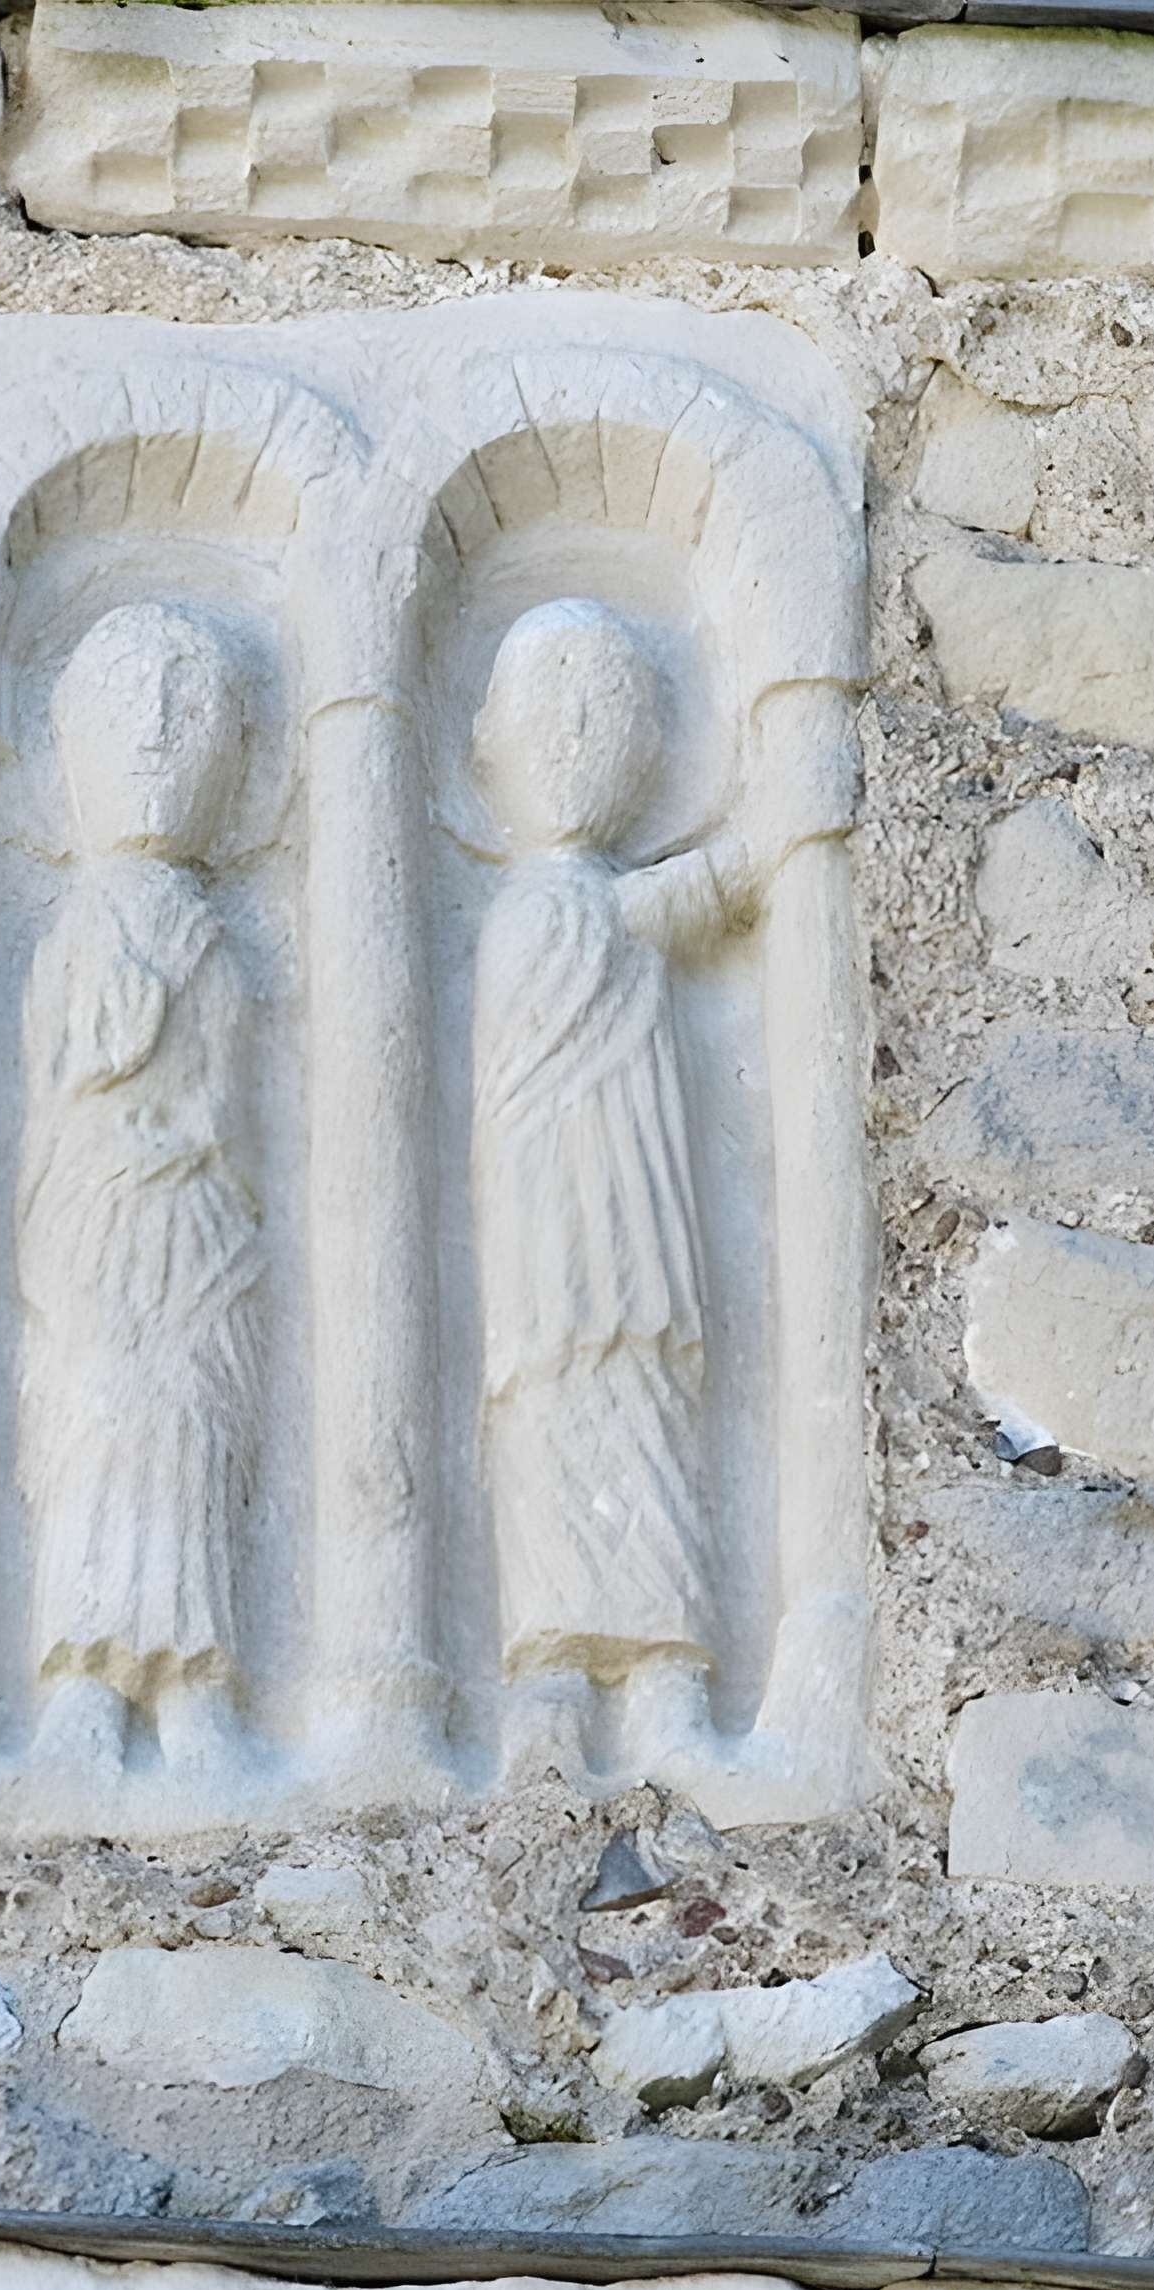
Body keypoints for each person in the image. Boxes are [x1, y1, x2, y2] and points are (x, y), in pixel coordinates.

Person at [468, 598, 770, 1771]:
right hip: (554, 1261)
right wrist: (763, 845)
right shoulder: (542, 910)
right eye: (554, 726)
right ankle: (553, 1683)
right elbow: (648, 916)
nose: (573, 752)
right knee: (558, 1442)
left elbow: (657, 913)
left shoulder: (580, 903)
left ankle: (662, 1678)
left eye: (602, 728)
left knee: (640, 1435)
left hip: (630, 1246)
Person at [16, 602, 265, 1779]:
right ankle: (82, 1682)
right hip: (96, 1228)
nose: (158, 740)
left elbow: (228, 1091)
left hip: (196, 1230)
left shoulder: (212, 933)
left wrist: (195, 1134)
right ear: (71, 751)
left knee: (192, 1424)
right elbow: (78, 1065)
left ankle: (191, 1685)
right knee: (97, 1412)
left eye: (188, 715)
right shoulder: (74, 925)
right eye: (127, 715)